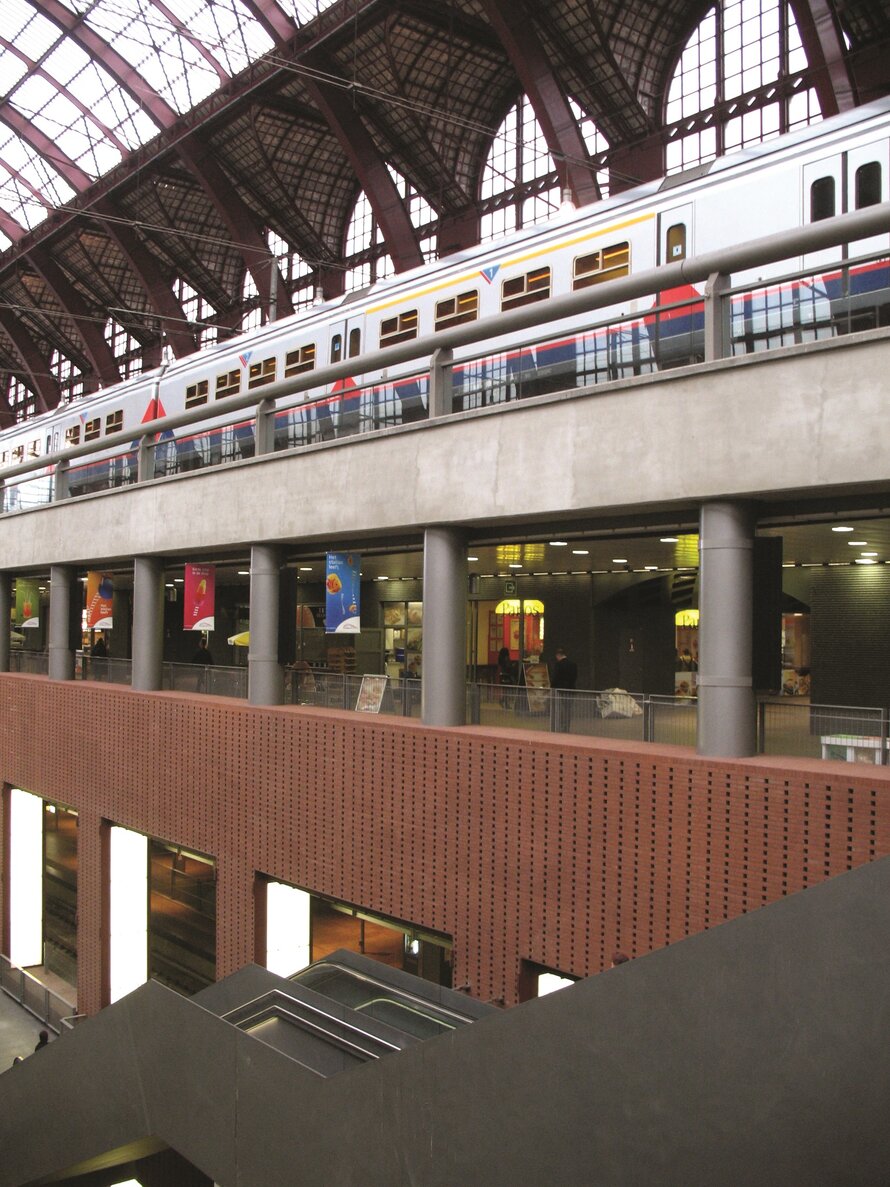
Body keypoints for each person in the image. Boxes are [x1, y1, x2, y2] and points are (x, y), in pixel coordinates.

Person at [551, 647, 577, 733]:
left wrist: (552, 688)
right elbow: (574, 677)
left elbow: (555, 678)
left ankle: (560, 727)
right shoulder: (573, 664)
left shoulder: (558, 665)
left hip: (560, 691)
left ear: (558, 656)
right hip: (570, 690)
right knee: (568, 710)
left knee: (560, 709)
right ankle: (567, 727)